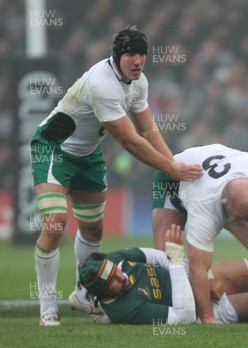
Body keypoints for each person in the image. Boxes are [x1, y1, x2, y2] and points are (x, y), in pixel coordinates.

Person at [30, 25, 204, 327]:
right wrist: (171, 168)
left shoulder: (139, 83)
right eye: (130, 54)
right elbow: (129, 140)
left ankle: (84, 295)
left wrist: (172, 163)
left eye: (141, 54)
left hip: (88, 156)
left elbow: (148, 129)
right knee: (55, 222)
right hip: (54, 149)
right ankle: (48, 309)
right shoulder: (102, 83)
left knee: (94, 232)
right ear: (117, 56)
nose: (137, 60)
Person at [151, 143, 248, 324]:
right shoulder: (204, 205)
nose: (246, 221)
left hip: (217, 181)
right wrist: (209, 317)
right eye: (240, 216)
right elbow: (197, 266)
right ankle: (196, 312)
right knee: (163, 262)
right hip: (172, 181)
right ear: (225, 205)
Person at [78, 224, 248, 324]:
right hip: (199, 313)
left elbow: (158, 257)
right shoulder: (125, 310)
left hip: (194, 277)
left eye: (116, 271)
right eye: (113, 280)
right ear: (102, 293)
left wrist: (205, 279)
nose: (121, 276)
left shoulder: (111, 259)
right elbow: (183, 317)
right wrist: (176, 261)